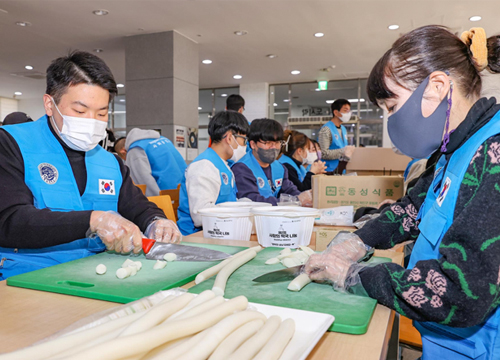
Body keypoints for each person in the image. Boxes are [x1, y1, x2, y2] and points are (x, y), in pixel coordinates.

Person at [304, 26, 500, 359]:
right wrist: (359, 241)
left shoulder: (492, 154)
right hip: (442, 338)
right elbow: (412, 209)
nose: (390, 120)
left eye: (392, 106)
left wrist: (354, 275)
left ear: (437, 87)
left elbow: (459, 292)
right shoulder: (454, 149)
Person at [0, 51, 181, 280]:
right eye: (80, 111)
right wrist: (93, 220)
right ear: (49, 104)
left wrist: (157, 222)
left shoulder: (109, 161)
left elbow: (137, 206)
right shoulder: (11, 144)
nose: (91, 122)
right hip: (28, 277)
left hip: (98, 275)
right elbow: (9, 221)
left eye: (101, 113)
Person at [177, 111, 250, 235]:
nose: (245, 145)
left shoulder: (224, 165)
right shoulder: (204, 166)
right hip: (196, 237)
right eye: (244, 140)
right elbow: (200, 215)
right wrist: (237, 209)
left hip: (220, 231)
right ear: (230, 138)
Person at [232, 118, 312, 206]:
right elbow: (252, 200)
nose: (273, 147)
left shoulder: (280, 168)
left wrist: (304, 197)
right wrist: (293, 201)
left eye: (277, 142)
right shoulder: (242, 168)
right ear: (253, 144)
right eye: (267, 142)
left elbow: (290, 190)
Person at [125, 128, 187, 197]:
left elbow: (143, 181)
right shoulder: (164, 140)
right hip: (184, 190)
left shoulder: (136, 149)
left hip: (166, 195)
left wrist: (156, 202)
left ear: (123, 151)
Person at [318, 99, 355, 173]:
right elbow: (323, 153)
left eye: (349, 111)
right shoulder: (326, 129)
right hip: (329, 170)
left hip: (341, 169)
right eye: (345, 110)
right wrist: (343, 151)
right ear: (336, 112)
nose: (348, 113)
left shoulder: (343, 129)